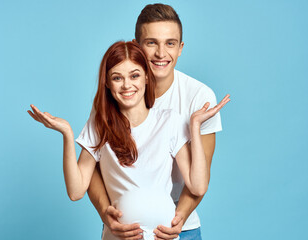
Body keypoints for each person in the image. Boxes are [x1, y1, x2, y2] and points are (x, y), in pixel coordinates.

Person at [28, 41, 230, 240]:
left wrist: (195, 126)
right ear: (106, 82)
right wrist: (67, 134)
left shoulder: (170, 121)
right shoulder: (100, 124)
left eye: (134, 75)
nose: (127, 85)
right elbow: (76, 191)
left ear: (146, 78)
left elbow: (198, 186)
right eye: (117, 77)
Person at [86, 4, 225, 240]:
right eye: (151, 43)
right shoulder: (116, 94)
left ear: (180, 48)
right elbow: (92, 167)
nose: (161, 53)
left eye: (170, 43)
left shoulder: (200, 97)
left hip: (180, 228)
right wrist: (104, 213)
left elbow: (201, 176)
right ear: (136, 46)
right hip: (124, 231)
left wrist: (175, 220)